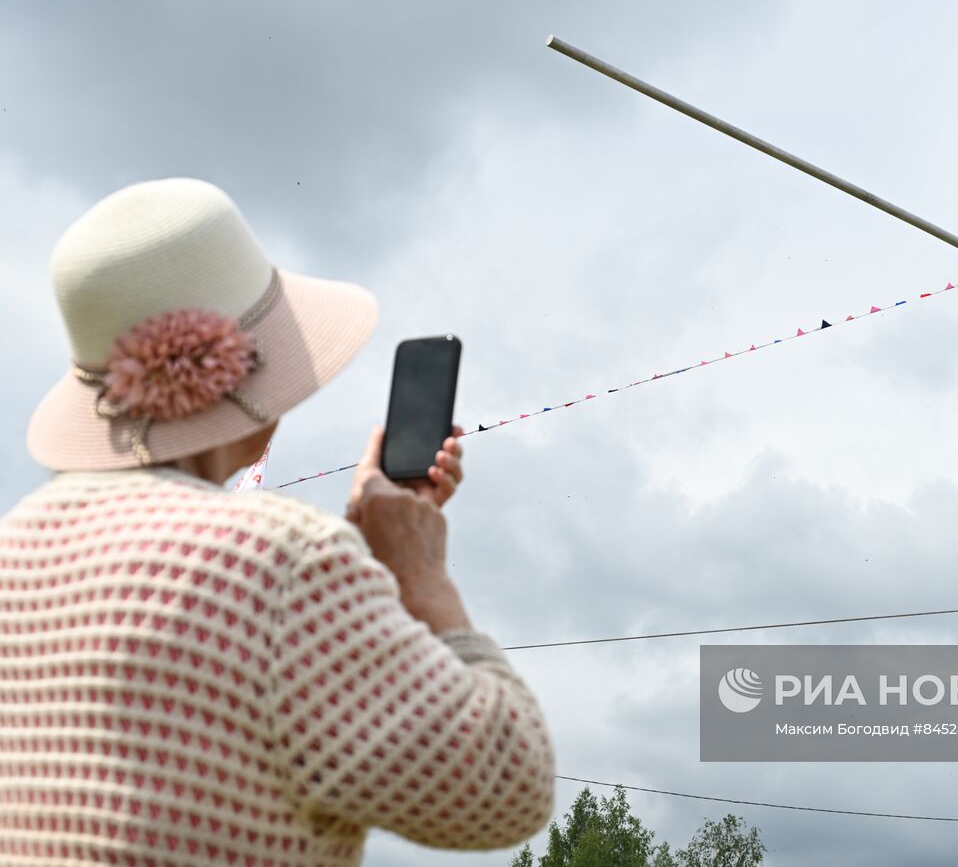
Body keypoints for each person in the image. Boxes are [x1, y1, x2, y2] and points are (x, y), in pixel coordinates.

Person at [0, 178, 555, 864]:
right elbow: (508, 788)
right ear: (249, 375)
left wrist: (359, 575)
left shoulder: (15, 550)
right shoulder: (283, 561)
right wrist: (421, 578)